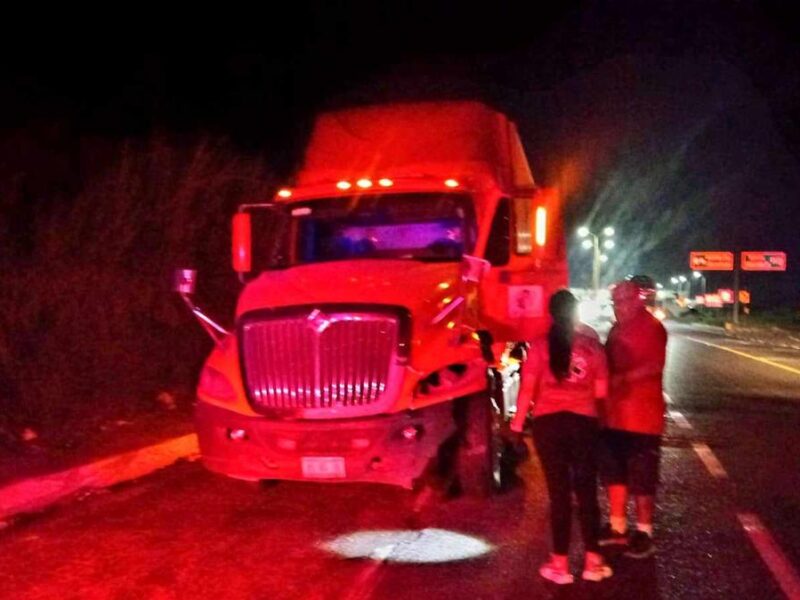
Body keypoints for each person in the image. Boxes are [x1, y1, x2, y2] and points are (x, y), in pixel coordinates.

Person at [510, 289, 613, 585]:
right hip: (584, 424)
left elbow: (527, 391)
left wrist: (517, 427)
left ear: (550, 314)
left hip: (548, 425)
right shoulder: (593, 347)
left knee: (559, 495)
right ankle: (593, 562)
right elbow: (602, 394)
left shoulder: (539, 347)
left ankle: (560, 565)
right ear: (575, 313)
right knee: (586, 491)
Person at [598, 278, 668, 558]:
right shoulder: (617, 328)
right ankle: (617, 527)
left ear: (637, 300)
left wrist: (618, 380)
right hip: (614, 415)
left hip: (643, 417)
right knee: (614, 472)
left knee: (642, 477)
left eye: (623, 301)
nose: (618, 307)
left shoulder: (651, 328)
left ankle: (644, 532)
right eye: (615, 302)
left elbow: (653, 366)